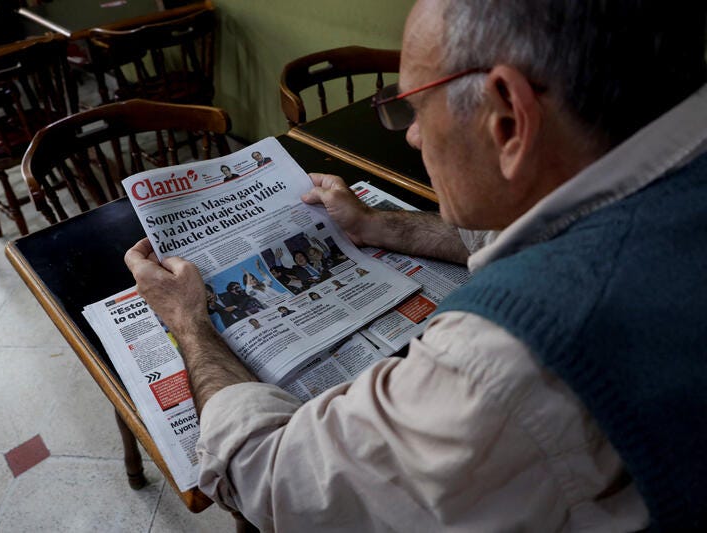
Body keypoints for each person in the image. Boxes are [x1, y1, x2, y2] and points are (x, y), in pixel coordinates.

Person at [125, 1, 707, 530]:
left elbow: (272, 479)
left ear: (507, 118)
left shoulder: (503, 360)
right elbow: (559, 225)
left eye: (415, 107)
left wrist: (191, 323)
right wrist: (379, 226)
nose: (412, 138)